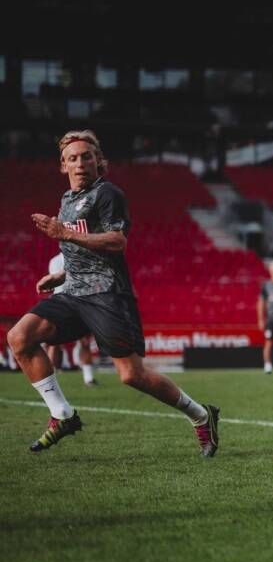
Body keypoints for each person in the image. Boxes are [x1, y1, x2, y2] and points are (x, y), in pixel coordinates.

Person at [5, 131, 220, 456]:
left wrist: (63, 233)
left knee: (131, 375)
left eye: (86, 156)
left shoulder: (108, 194)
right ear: (63, 166)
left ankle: (201, 415)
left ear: (99, 162)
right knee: (20, 337)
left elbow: (117, 242)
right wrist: (60, 274)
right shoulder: (66, 200)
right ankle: (62, 415)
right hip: (73, 292)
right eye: (72, 158)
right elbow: (83, 248)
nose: (80, 163)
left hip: (107, 294)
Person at [44, 251, 97, 387]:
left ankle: (88, 378)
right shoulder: (55, 261)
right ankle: (50, 380)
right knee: (54, 344)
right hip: (62, 304)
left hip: (81, 303)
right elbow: (57, 282)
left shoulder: (82, 257)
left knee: (85, 342)